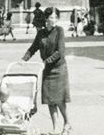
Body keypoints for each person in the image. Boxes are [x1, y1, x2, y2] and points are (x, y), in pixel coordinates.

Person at [22, 7, 71, 135]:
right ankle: (55, 128)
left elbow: (60, 52)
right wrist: (24, 59)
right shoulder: (41, 33)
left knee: (59, 99)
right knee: (50, 100)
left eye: (55, 17)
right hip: (47, 70)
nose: (53, 20)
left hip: (59, 69)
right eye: (51, 18)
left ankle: (67, 123)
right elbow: (33, 48)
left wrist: (46, 62)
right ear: (46, 19)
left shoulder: (59, 31)